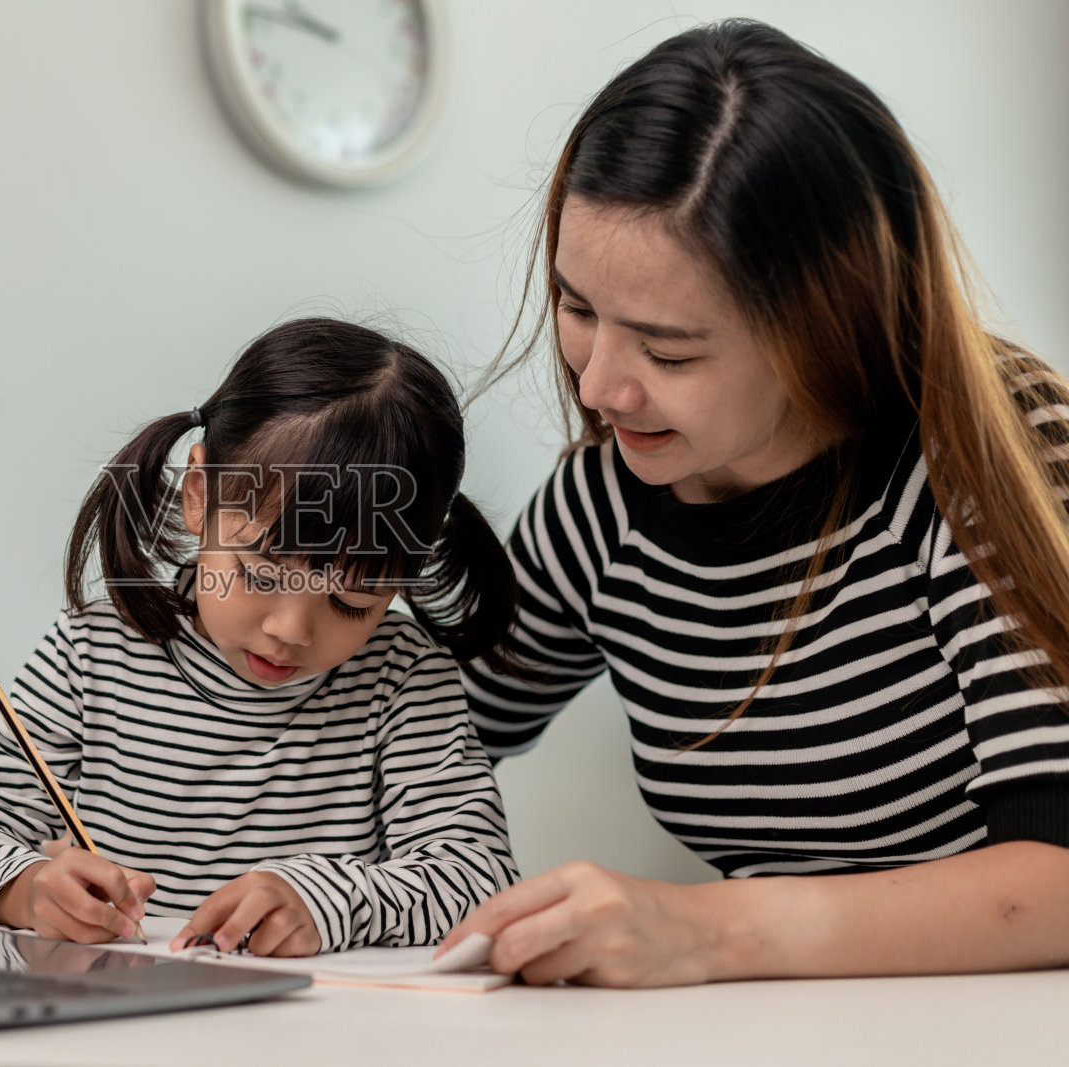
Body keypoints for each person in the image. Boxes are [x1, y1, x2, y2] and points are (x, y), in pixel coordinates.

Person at [442, 19, 1069, 986]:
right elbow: (409, 724)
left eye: (668, 350)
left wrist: (704, 929)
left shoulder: (988, 451)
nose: (601, 388)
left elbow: (1056, 876)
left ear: (827, 323)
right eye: (577, 307)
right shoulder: (604, 503)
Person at [0, 317, 525, 957]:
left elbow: (480, 879)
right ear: (199, 494)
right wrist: (29, 890)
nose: (290, 630)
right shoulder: (91, 654)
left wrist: (329, 902)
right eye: (260, 574)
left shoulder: (403, 679)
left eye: (352, 600)